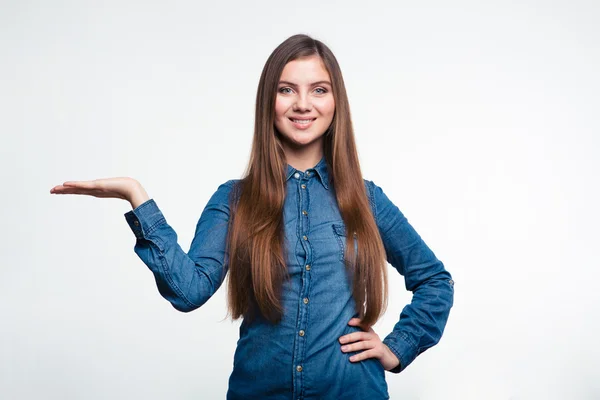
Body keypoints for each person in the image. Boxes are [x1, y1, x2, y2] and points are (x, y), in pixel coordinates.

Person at [50, 33, 454, 400]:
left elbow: (435, 280)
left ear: (335, 102)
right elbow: (189, 291)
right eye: (286, 89)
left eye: (319, 89)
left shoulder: (366, 199)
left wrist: (398, 348)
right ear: (269, 101)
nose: (302, 103)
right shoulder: (234, 199)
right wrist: (135, 196)